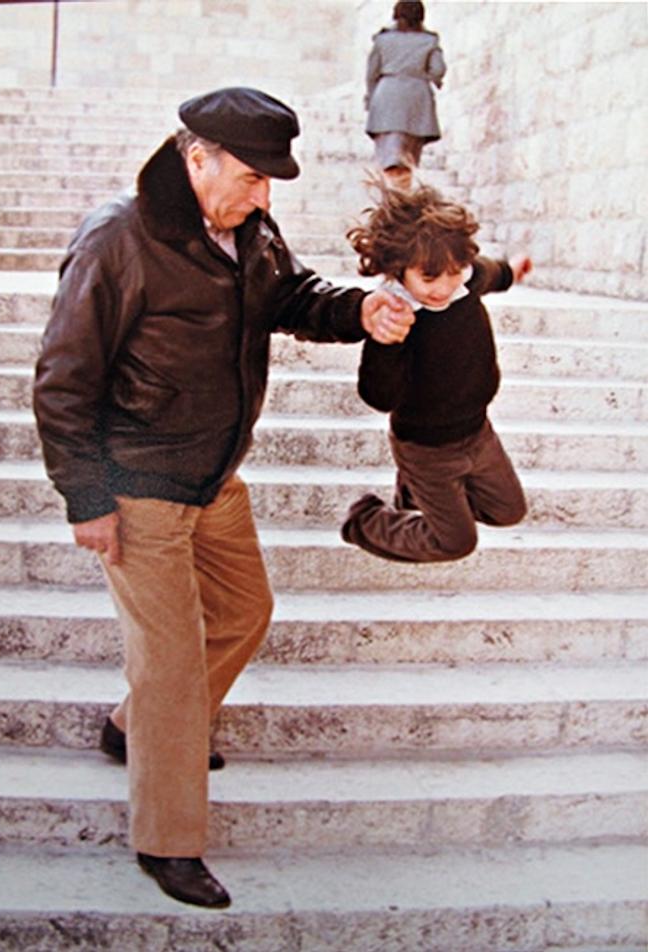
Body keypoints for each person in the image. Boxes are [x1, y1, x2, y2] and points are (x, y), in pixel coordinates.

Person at [33, 86, 414, 909]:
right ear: (195, 157)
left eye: (272, 181)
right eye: (252, 176)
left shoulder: (250, 230)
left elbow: (292, 298)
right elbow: (64, 381)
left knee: (245, 612)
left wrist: (362, 312)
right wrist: (85, 496)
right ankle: (167, 840)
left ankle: (135, 728)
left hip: (214, 478)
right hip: (138, 484)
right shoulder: (119, 239)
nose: (265, 195)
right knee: (171, 669)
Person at [340, 181, 532, 563]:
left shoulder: (466, 277)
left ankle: (411, 496)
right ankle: (365, 520)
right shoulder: (395, 314)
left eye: (454, 272)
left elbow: (490, 273)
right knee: (456, 542)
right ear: (400, 270)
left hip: (478, 433)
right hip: (427, 449)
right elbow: (378, 396)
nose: (444, 288)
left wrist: (511, 273)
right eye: (429, 278)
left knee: (509, 511)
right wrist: (386, 341)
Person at [364, 1, 447, 188]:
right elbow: (438, 69)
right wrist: (422, 75)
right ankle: (402, 198)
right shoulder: (429, 40)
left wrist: (370, 98)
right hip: (418, 100)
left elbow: (372, 73)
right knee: (408, 161)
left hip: (387, 97)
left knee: (389, 158)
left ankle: (393, 202)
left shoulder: (383, 40)